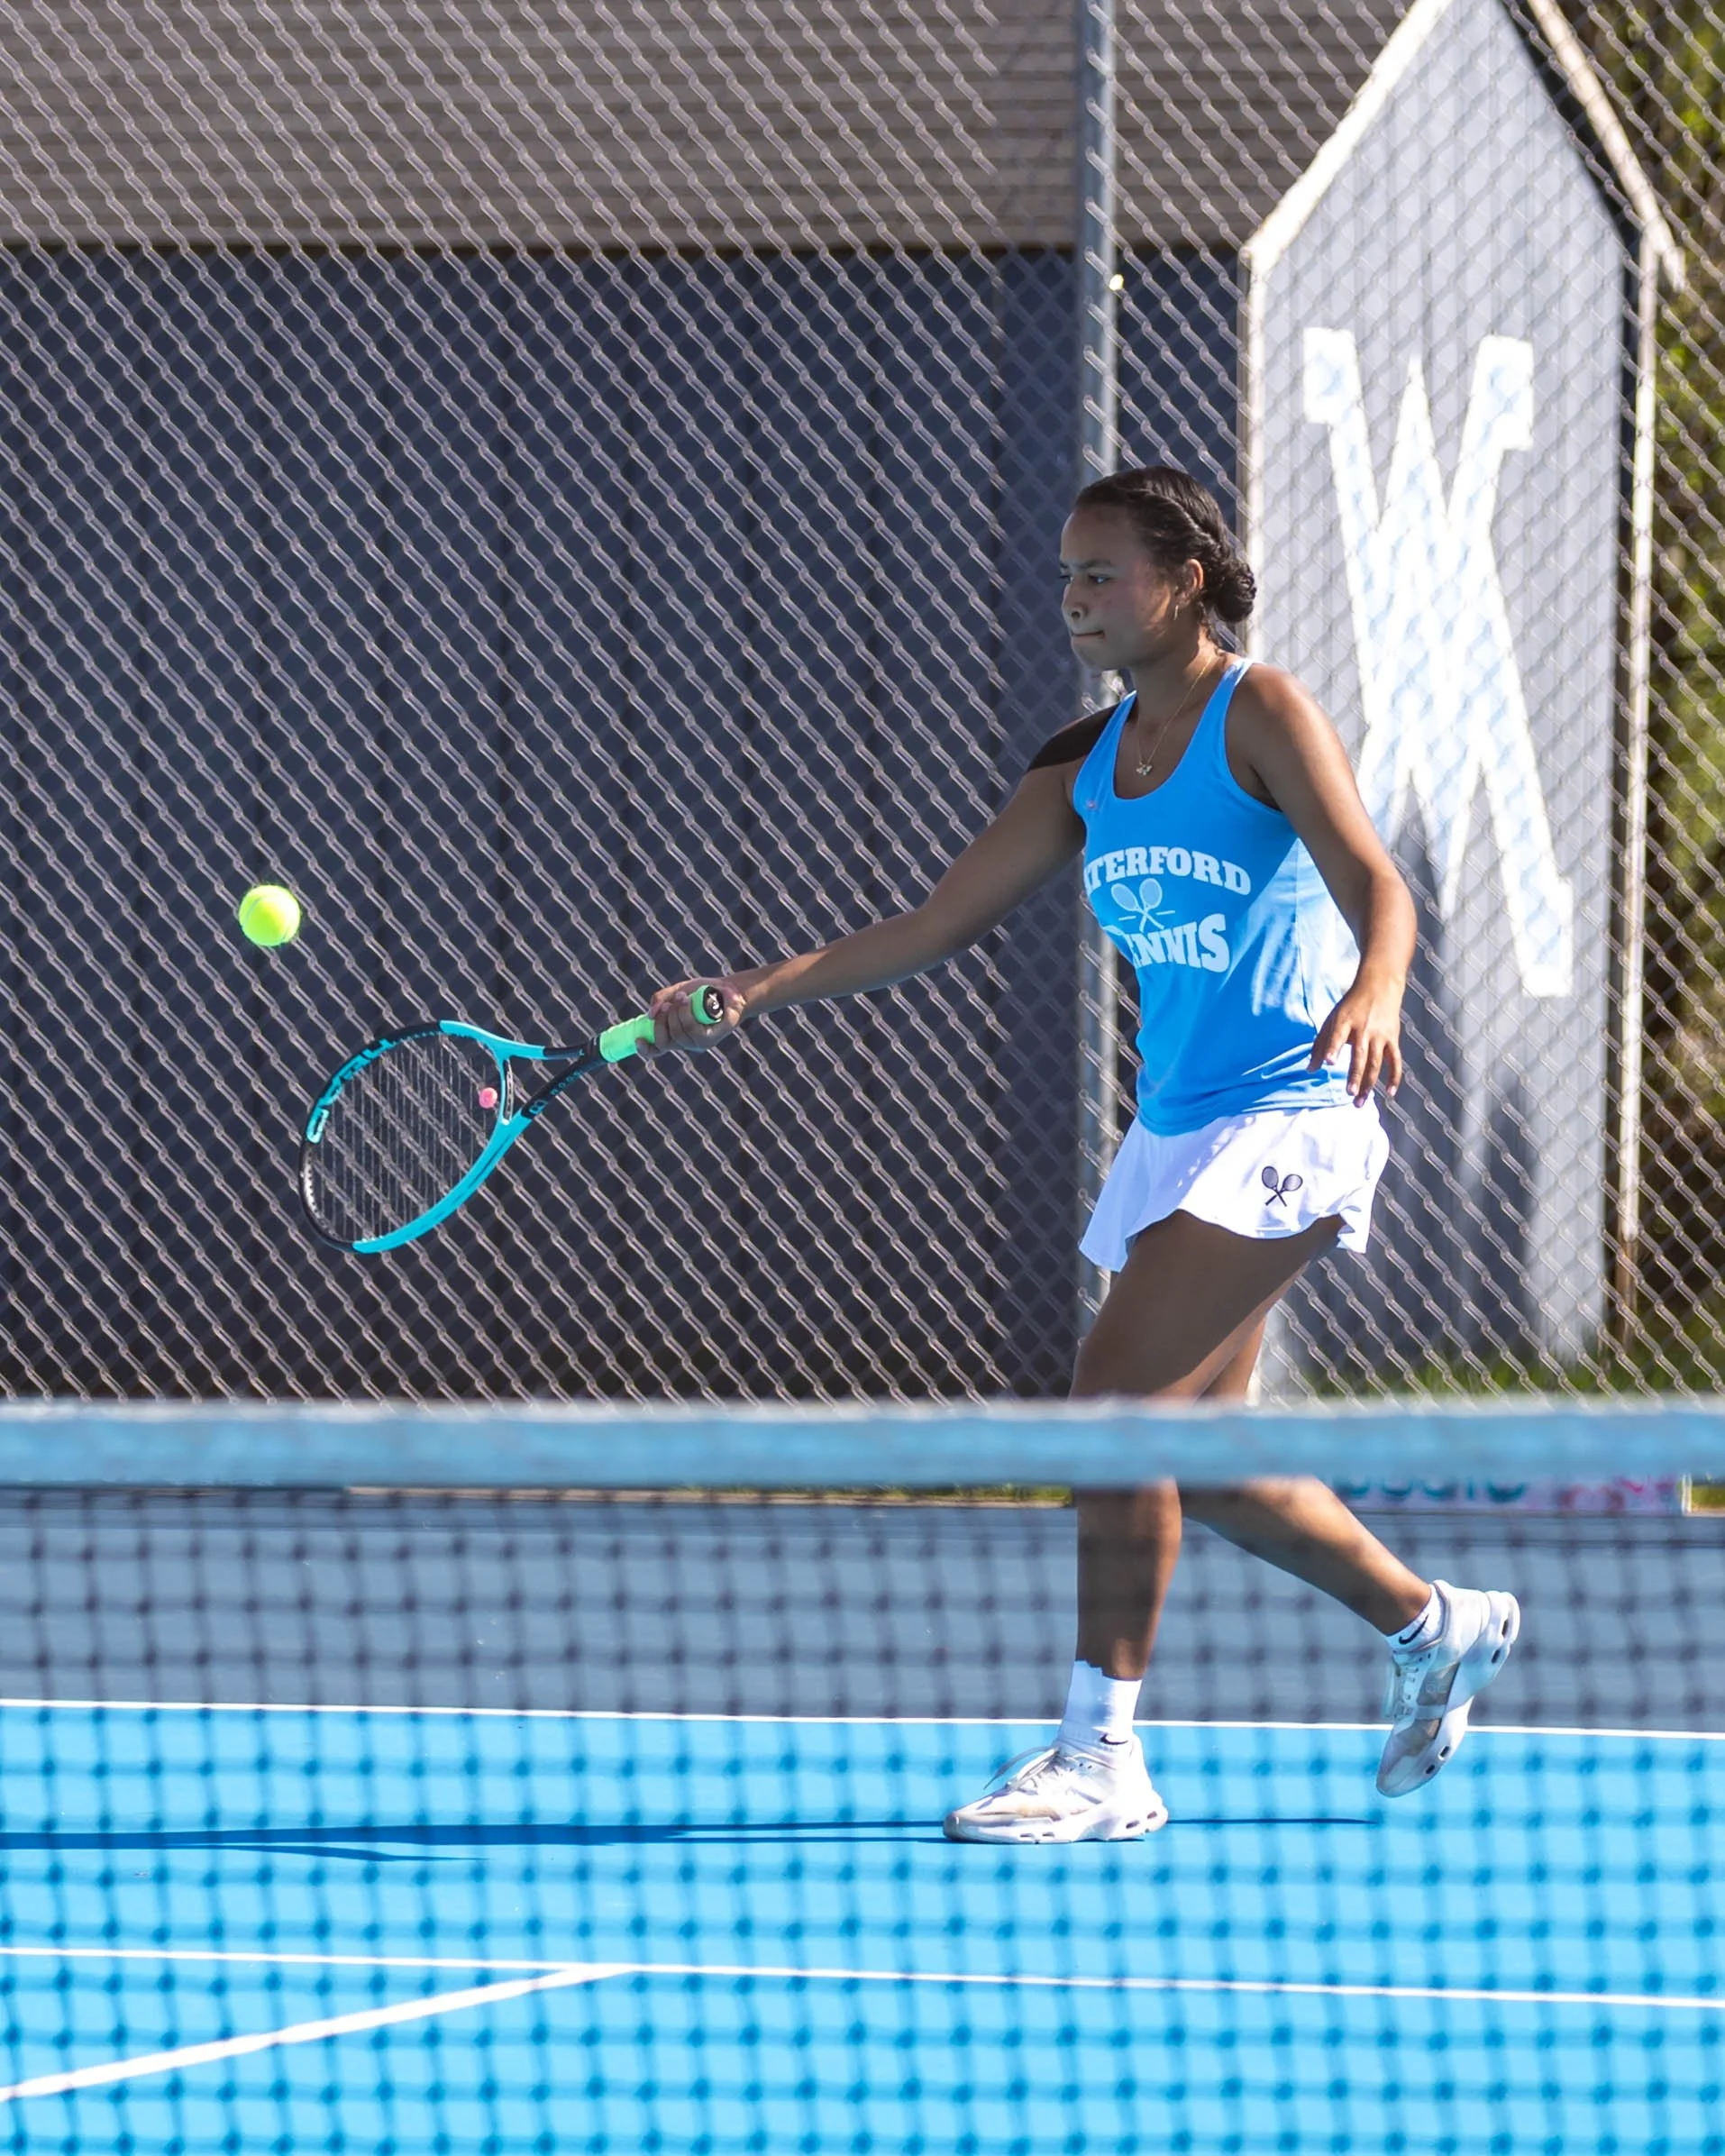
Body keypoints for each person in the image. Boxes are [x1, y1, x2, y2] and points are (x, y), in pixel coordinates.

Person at [646, 464, 1520, 1844]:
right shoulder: (1081, 766)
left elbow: (1375, 880)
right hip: (1174, 1126)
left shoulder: (1262, 712)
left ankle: (1100, 1756)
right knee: (1202, 1459)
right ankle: (1434, 1622)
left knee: (1110, 1404)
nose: (1075, 599)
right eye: (1065, 576)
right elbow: (933, 926)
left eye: (1100, 573)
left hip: (1291, 1107)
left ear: (1182, 582)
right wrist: (753, 988)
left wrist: (1380, 987)